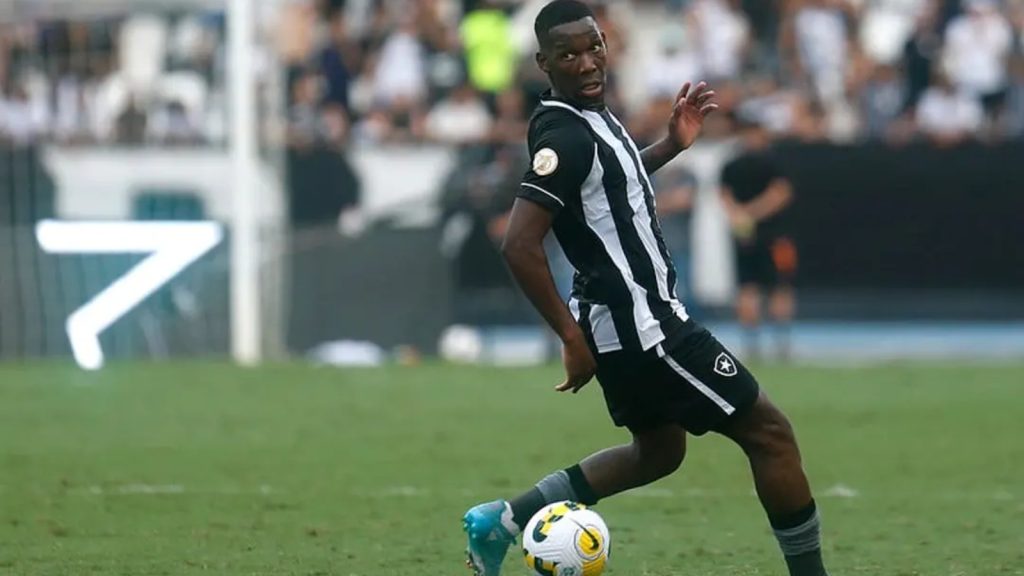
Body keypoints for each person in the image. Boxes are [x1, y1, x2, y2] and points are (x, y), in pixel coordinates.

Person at [461, 3, 830, 576]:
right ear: (543, 62)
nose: (586, 63)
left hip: (630, 322)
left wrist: (669, 146)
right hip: (647, 327)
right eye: (568, 55)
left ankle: (504, 521)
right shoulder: (565, 135)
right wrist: (568, 335)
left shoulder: (587, 117)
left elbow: (610, 183)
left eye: (594, 47)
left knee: (660, 452)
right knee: (771, 433)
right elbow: (518, 243)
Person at [720, 117, 796, 361]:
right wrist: (754, 213)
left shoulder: (731, 165)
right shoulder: (773, 163)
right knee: (776, 287)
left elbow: (725, 197)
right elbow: (781, 194)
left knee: (749, 287)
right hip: (772, 234)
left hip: (745, 234)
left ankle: (754, 346)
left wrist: (741, 216)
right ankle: (778, 345)